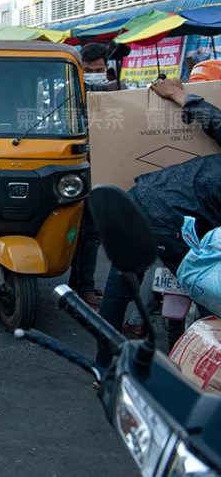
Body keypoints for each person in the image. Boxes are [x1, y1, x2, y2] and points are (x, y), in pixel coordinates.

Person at [93, 75, 221, 368]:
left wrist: (181, 96)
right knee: (210, 295)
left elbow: (215, 121)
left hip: (138, 197)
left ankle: (103, 368)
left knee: (120, 286)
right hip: (170, 215)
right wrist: (180, 96)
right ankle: (205, 374)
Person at [70, 42, 119, 312]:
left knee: (92, 229)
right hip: (72, 166)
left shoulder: (114, 92)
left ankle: (84, 284)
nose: (94, 74)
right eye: (88, 70)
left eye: (98, 69)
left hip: (100, 166)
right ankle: (81, 284)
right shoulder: (68, 92)